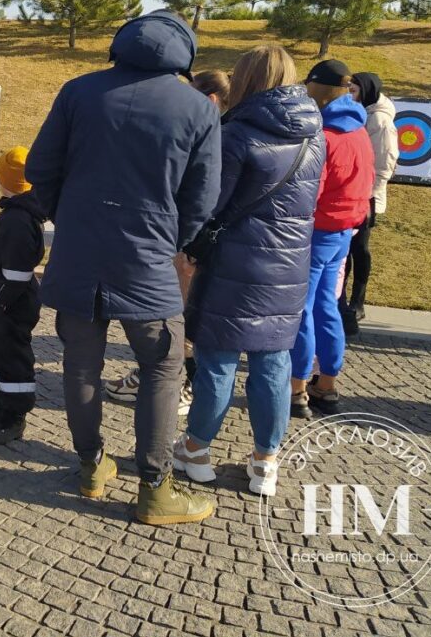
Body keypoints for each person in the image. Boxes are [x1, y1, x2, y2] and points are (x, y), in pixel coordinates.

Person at [27, 10, 221, 525]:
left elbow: (40, 169)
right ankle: (155, 488)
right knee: (163, 365)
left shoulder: (78, 91)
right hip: (149, 256)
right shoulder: (198, 109)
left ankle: (91, 465)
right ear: (185, 54)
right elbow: (203, 198)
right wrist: (171, 240)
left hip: (79, 251)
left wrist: (67, 216)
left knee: (81, 364)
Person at [175, 46, 325, 497]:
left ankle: (197, 451)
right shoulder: (315, 136)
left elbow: (209, 204)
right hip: (289, 265)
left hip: (234, 265)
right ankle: (266, 461)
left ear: (244, 79)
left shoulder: (236, 134)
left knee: (217, 363)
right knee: (273, 366)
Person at [105, 68, 231, 414]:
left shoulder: (212, 134)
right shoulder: (206, 128)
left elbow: (204, 195)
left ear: (210, 101)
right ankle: (163, 377)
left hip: (195, 242)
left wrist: (185, 240)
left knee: (182, 316)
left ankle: (178, 383)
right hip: (187, 237)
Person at [291, 59, 374, 417]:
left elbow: (310, 190)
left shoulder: (323, 136)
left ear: (317, 90)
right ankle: (327, 384)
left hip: (318, 230)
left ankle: (296, 389)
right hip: (343, 231)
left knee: (301, 309)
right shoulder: (358, 131)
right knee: (327, 306)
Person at [0, 147, 47, 445]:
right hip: (3, 295)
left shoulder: (17, 220)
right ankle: (0, 401)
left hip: (11, 299)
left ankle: (14, 415)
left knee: (12, 354)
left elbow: (18, 269)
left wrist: (1, 299)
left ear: (9, 182)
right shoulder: (17, 212)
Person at [339, 71, 398, 334]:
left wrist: (367, 193)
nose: (350, 94)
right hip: (354, 192)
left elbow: (385, 161)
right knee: (347, 247)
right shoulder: (361, 112)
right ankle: (341, 299)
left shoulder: (379, 119)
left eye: (354, 90)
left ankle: (358, 301)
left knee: (359, 248)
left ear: (367, 90)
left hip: (367, 196)